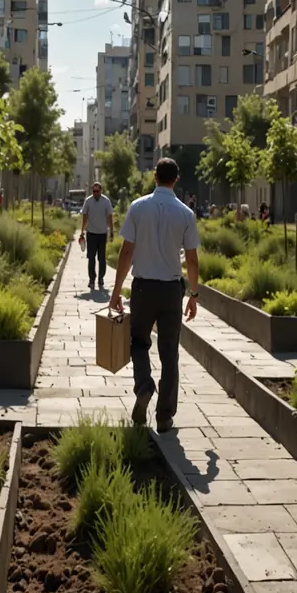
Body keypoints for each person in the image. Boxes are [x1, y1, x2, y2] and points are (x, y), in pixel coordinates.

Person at [108, 157, 200, 433]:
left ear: (155, 177)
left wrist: (116, 292)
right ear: (176, 179)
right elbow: (192, 260)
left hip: (143, 288)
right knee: (169, 353)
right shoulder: (186, 214)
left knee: (138, 343)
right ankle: (164, 417)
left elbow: (126, 252)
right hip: (171, 291)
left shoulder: (138, 207)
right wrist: (194, 294)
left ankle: (144, 386)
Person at [77, 181, 114, 290]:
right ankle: (92, 279)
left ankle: (101, 278)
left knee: (102, 258)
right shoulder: (88, 201)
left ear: (101, 191)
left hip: (102, 233)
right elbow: (85, 216)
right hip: (91, 233)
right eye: (94, 191)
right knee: (91, 257)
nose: (96, 193)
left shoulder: (106, 201)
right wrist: (82, 231)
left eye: (97, 191)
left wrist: (111, 231)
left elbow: (110, 216)